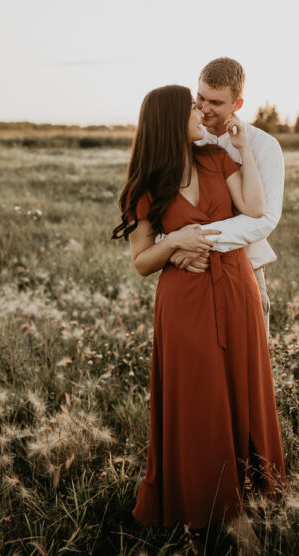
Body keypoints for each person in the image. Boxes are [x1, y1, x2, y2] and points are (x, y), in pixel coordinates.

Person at [111, 84, 285, 548]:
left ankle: (252, 495)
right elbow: (142, 261)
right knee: (200, 403)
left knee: (241, 388)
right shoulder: (146, 184)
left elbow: (254, 208)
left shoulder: (216, 158)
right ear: (172, 119)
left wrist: (244, 148)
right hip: (185, 302)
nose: (200, 112)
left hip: (236, 286)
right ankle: (205, 509)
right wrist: (173, 245)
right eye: (192, 106)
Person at [168, 58, 285, 339]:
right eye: (200, 98)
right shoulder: (186, 140)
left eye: (216, 103)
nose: (204, 109)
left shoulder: (264, 146)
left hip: (246, 267)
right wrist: (172, 247)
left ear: (237, 105)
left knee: (249, 364)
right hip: (189, 269)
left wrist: (197, 243)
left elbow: (265, 218)